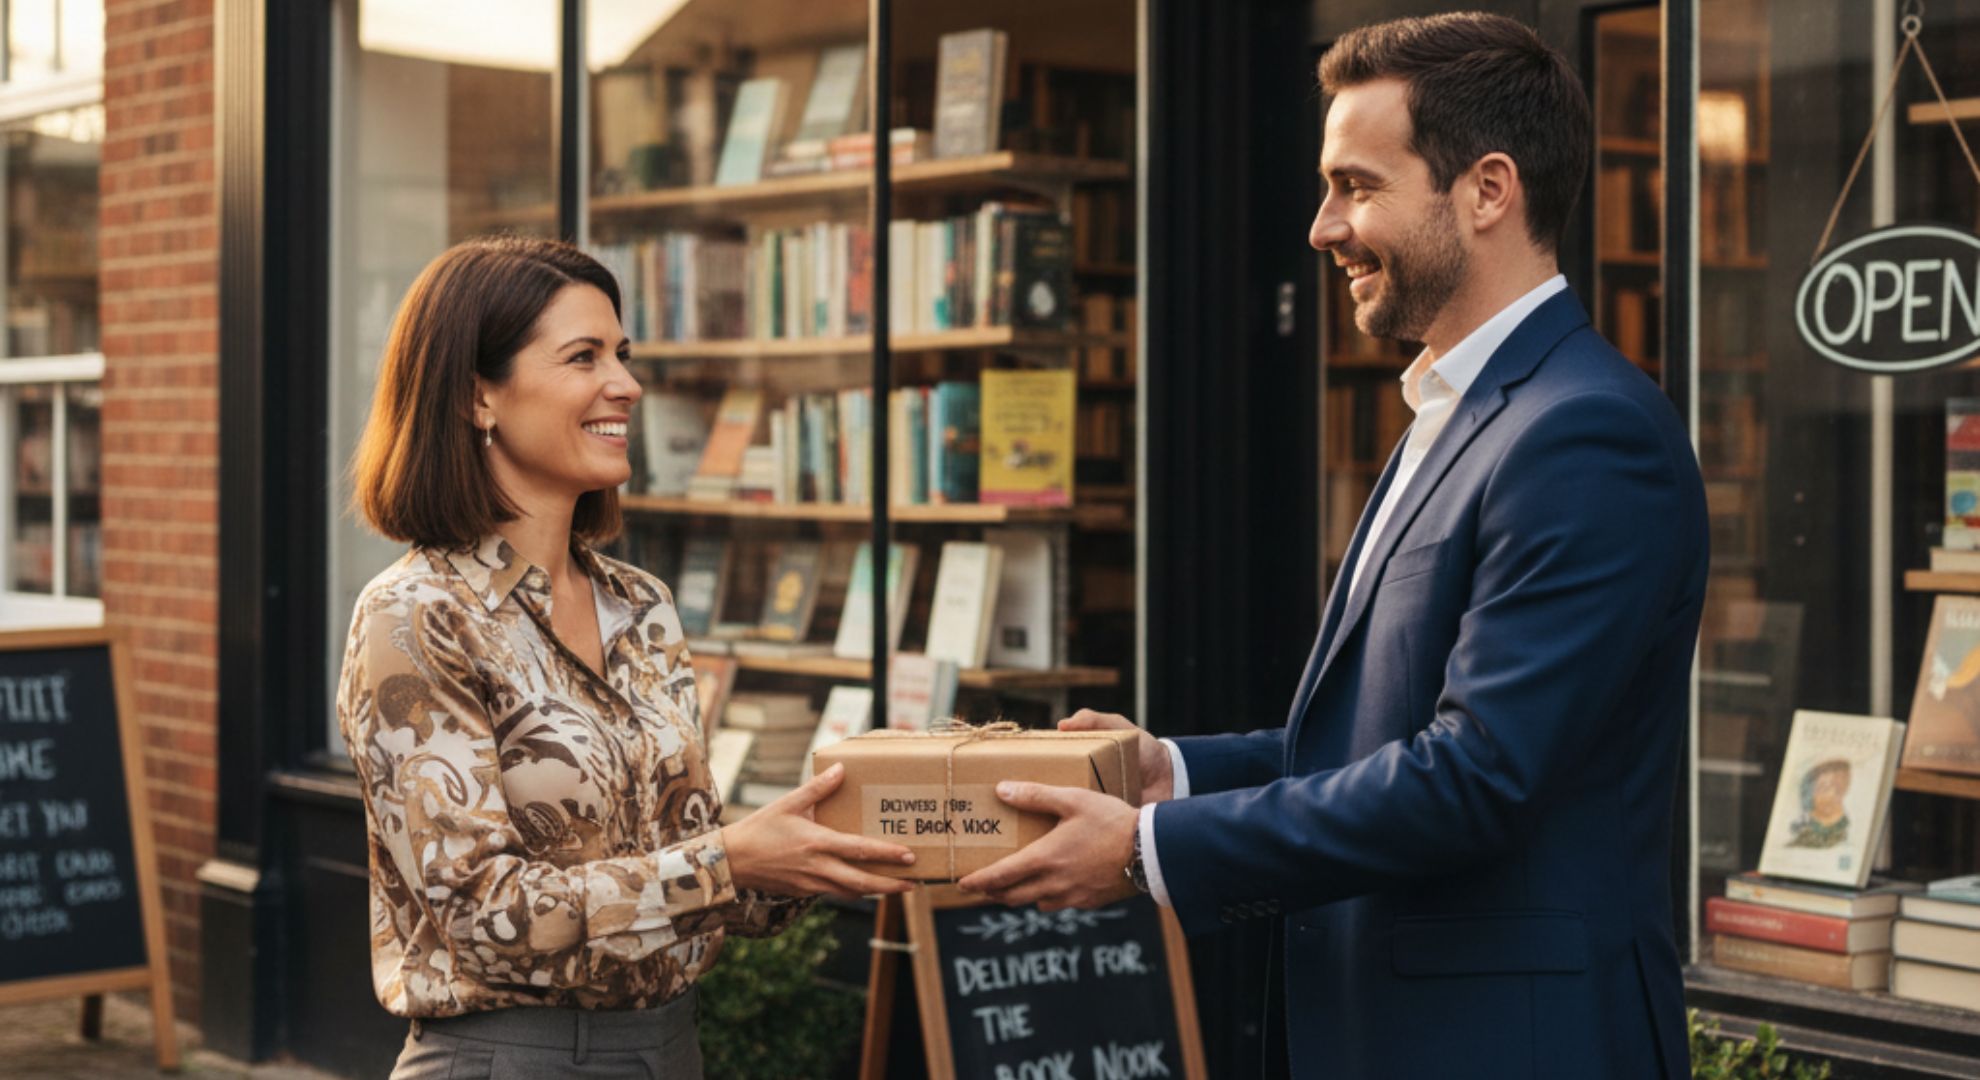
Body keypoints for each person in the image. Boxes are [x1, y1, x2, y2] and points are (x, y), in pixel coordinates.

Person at [957, 13, 1707, 1078]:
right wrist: (1168, 773)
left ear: (1488, 190)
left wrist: (1142, 852)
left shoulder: (1587, 432)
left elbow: (1477, 774)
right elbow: (1377, 741)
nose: (1321, 226)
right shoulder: (1458, 412)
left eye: (1356, 185)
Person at [337, 236, 914, 1079]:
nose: (628, 385)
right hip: (508, 1060)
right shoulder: (415, 617)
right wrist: (729, 860)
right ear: (476, 397)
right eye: (584, 357)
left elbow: (692, 864)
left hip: (671, 1049)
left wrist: (829, 848)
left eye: (623, 354)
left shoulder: (639, 605)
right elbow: (480, 916)